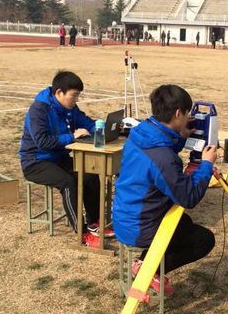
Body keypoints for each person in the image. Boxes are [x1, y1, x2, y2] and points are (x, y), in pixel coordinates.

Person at [113, 84, 217, 295]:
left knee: (184, 223)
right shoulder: (163, 158)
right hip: (140, 227)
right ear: (178, 113)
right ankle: (147, 268)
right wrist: (206, 164)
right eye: (186, 114)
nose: (187, 119)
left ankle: (145, 263)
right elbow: (188, 197)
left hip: (124, 216)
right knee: (203, 239)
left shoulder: (140, 133)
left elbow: (160, 152)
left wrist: (181, 137)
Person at [19, 70, 114, 241]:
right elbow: (42, 142)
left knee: (90, 174)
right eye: (74, 95)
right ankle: (82, 233)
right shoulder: (38, 110)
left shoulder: (70, 108)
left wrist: (103, 129)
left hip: (58, 158)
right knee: (68, 182)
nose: (76, 100)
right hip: (35, 162)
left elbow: (87, 122)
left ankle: (95, 223)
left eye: (78, 95)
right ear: (59, 93)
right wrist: (72, 136)